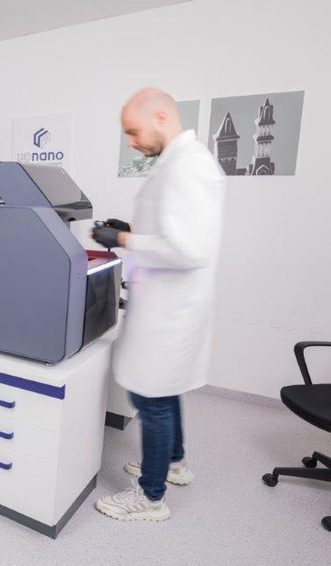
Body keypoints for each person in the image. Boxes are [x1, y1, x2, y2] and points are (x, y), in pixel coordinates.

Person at [92, 88, 225, 521]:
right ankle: (174, 464)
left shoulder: (189, 167)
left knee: (152, 398)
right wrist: (127, 227)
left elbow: (189, 248)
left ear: (162, 117)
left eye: (133, 131)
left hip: (171, 312)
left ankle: (149, 498)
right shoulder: (177, 164)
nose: (130, 141)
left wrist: (124, 240)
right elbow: (172, 225)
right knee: (162, 393)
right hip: (167, 306)